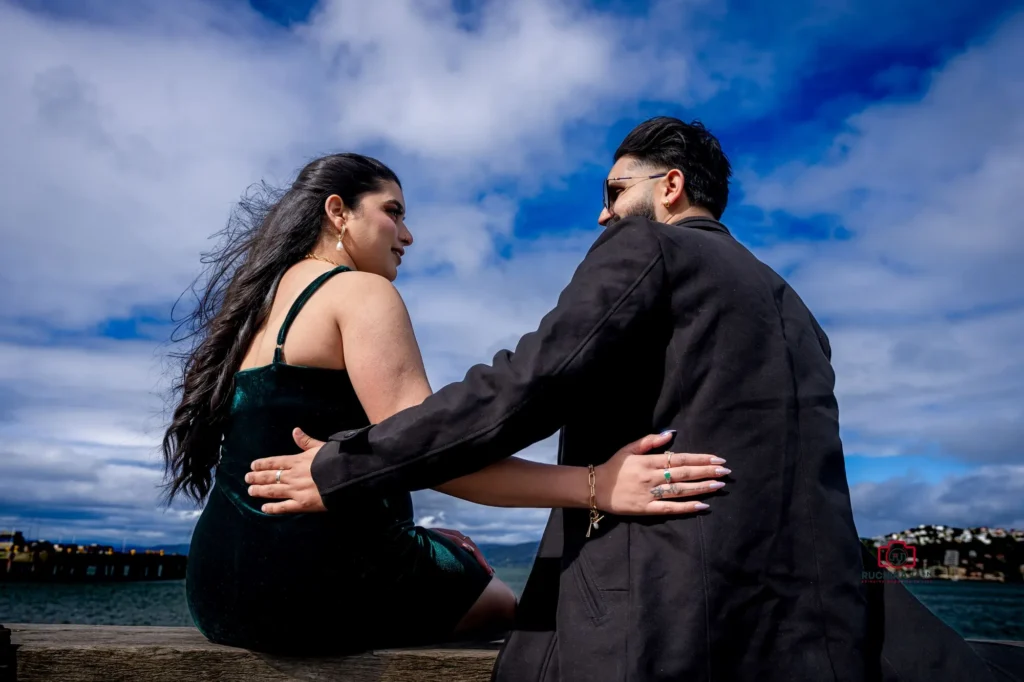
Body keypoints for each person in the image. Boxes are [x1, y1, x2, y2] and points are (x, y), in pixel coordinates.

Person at [250, 120, 1021, 681]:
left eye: (617, 191)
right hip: (800, 640)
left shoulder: (648, 247)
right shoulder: (795, 309)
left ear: (671, 186)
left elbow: (526, 386)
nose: (603, 213)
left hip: (655, 629)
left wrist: (345, 465)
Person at [162, 152, 729, 656]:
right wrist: (595, 485)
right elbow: (434, 455)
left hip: (217, 590)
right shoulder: (360, 293)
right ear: (338, 212)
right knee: (506, 605)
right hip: (313, 587)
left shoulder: (254, 312)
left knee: (449, 547)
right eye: (393, 212)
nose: (407, 235)